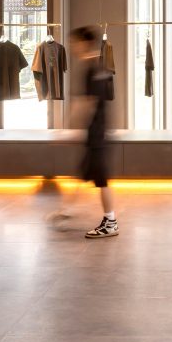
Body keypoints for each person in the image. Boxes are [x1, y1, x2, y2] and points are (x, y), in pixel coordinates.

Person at [70, 25, 118, 238]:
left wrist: (72, 127)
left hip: (96, 133)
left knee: (100, 178)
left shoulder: (90, 69)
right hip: (100, 130)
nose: (72, 47)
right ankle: (67, 211)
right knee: (89, 174)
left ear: (83, 43)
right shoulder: (100, 66)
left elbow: (87, 103)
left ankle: (110, 221)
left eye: (74, 43)